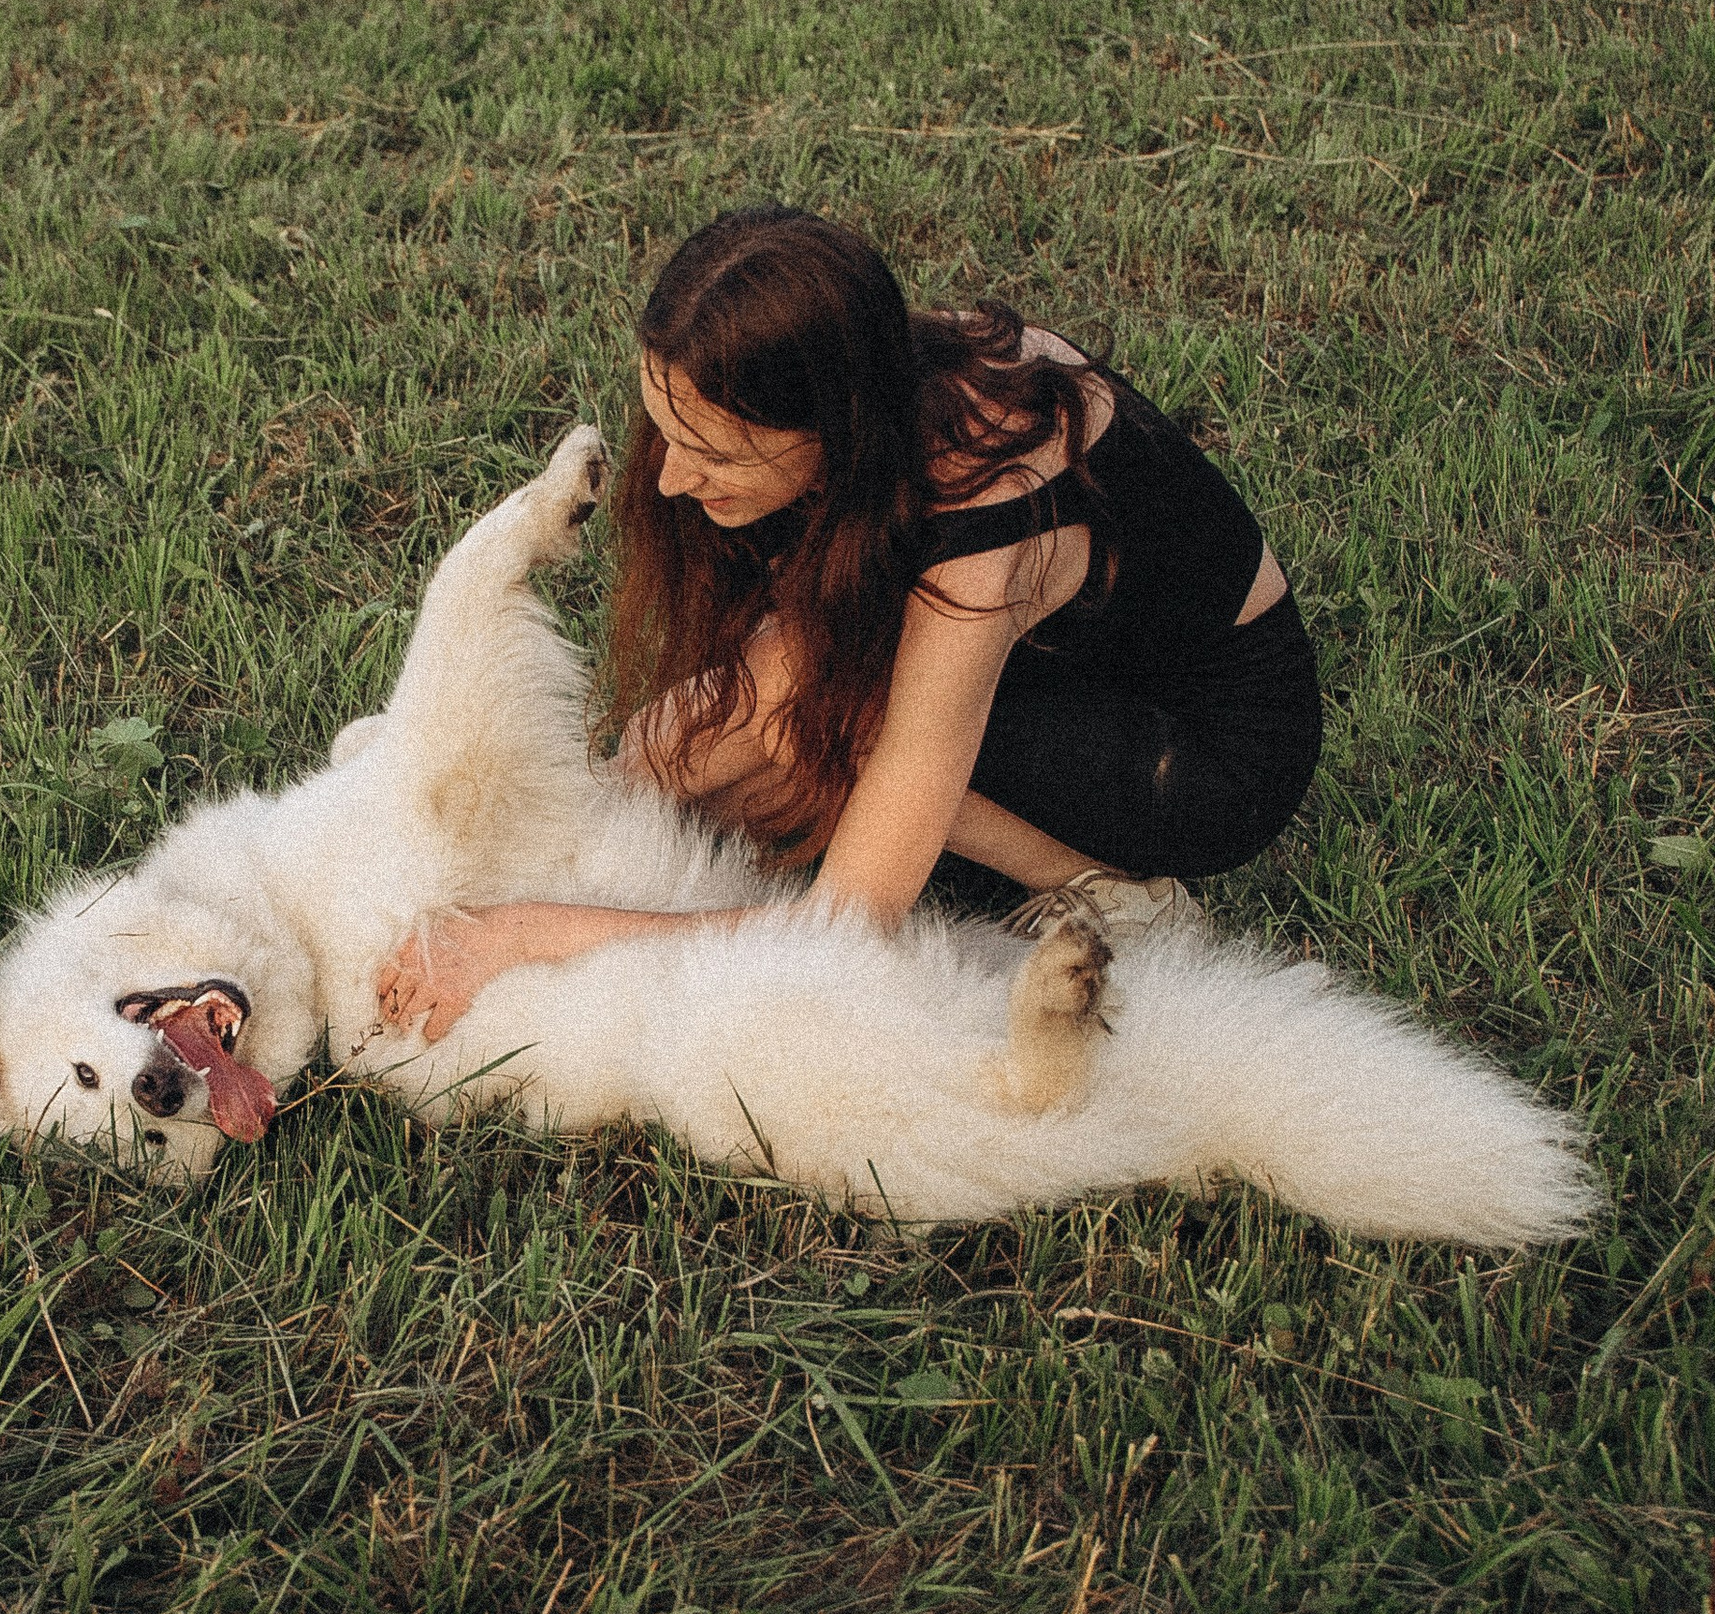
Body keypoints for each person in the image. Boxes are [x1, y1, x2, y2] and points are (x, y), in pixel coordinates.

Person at [373, 202, 1323, 1046]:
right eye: (667, 429)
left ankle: (1113, 891)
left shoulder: (988, 536)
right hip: (1066, 658)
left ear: (829, 432)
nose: (666, 478)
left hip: (1199, 747)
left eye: (709, 451)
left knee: (813, 731)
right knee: (666, 750)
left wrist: (529, 934)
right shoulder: (862, 364)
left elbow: (846, 924)